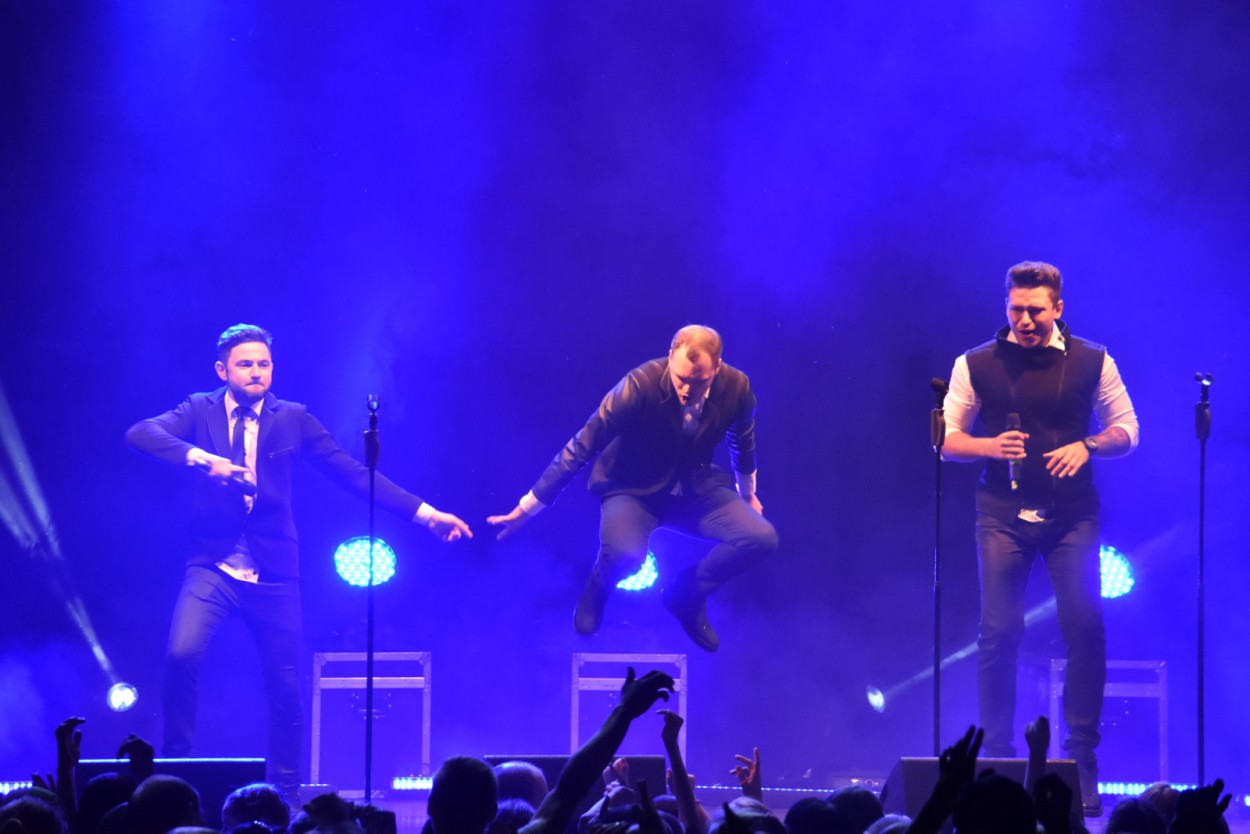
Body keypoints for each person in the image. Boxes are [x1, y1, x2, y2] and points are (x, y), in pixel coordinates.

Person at [125, 324, 472, 794]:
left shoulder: (292, 417)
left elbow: (354, 474)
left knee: (286, 688)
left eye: (263, 364)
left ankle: (285, 795)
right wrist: (205, 460)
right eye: (245, 364)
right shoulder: (199, 409)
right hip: (212, 565)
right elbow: (141, 433)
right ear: (222, 370)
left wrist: (426, 515)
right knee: (180, 655)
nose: (255, 372)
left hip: (274, 572)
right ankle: (173, 779)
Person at [941, 262, 1139, 817]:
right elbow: (946, 441)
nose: (1024, 320)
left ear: (1057, 309)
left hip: (1071, 514)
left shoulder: (1092, 359)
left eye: (1035, 310)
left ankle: (1081, 761)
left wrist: (1088, 446)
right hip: (1001, 512)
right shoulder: (975, 362)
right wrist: (988, 446)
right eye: (1015, 310)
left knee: (1085, 626)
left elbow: (1128, 430)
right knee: (998, 631)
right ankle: (995, 759)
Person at [487, 325, 777, 652]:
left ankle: (687, 594)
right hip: (633, 489)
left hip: (694, 489)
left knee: (760, 538)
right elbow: (582, 446)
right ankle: (598, 587)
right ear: (670, 357)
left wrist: (747, 493)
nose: (687, 390)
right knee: (625, 556)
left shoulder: (737, 387)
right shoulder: (638, 385)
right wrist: (528, 507)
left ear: (718, 367)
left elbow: (742, 440)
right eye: (681, 379)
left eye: (699, 382)